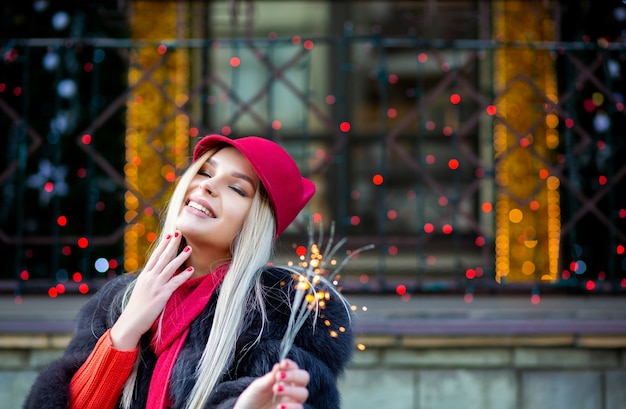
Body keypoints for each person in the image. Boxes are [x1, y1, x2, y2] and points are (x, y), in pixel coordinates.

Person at [24, 134, 354, 409]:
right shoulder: (118, 299)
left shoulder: (282, 314)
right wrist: (126, 331)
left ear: (257, 224)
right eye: (205, 172)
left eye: (237, 189)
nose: (207, 187)